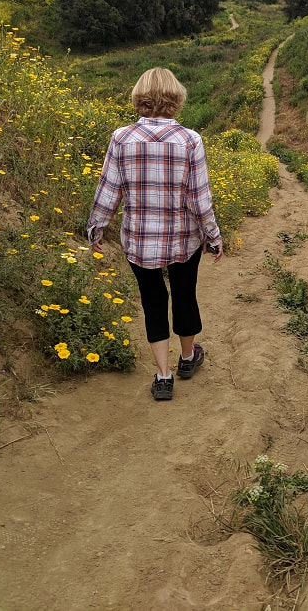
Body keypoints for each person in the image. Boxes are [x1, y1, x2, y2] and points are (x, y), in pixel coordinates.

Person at [87, 67, 223, 401]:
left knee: (153, 301)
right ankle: (188, 358)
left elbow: (109, 191)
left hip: (139, 240)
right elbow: (199, 198)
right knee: (184, 293)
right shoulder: (190, 140)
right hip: (183, 239)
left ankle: (163, 377)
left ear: (140, 97)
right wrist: (213, 235)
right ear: (176, 98)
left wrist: (96, 229)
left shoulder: (121, 138)